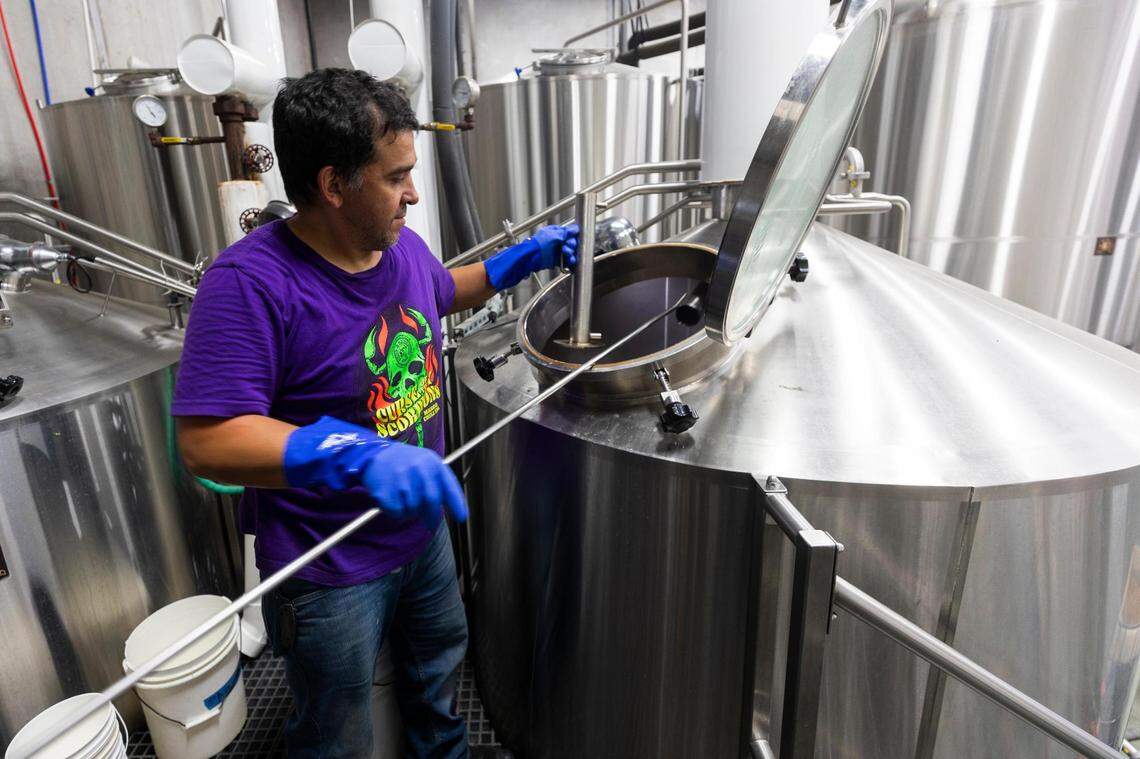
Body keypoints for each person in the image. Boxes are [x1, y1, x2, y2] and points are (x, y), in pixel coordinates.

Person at [173, 68, 579, 758]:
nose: (413, 193)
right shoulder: (248, 284)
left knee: (436, 677)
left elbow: (441, 290)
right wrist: (353, 456)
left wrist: (519, 260)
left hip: (420, 538)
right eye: (396, 177)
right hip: (328, 566)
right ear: (334, 185)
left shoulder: (395, 245)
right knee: (336, 731)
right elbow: (208, 441)